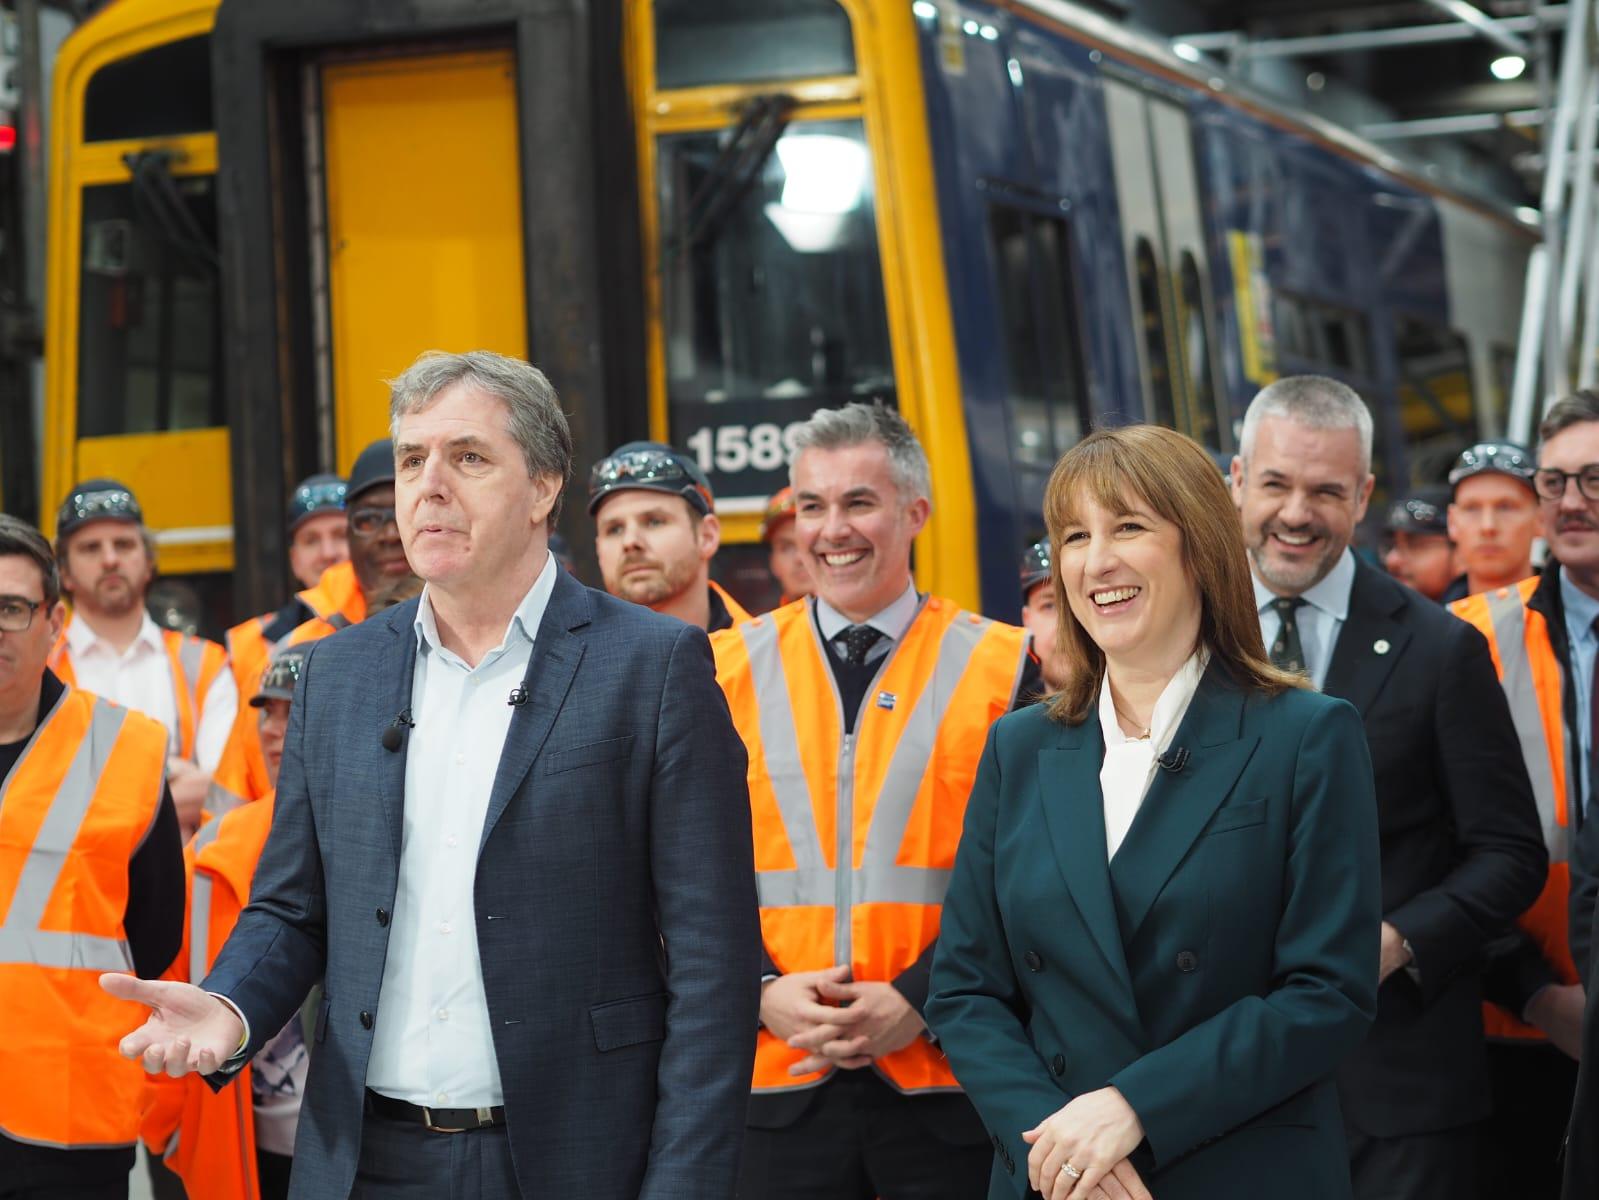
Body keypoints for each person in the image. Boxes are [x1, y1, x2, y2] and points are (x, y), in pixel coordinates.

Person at [102, 349, 760, 1200]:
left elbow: (713, 965)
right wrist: (229, 1007)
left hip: (577, 1157)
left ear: (543, 488)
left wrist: (683, 1185)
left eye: (469, 457)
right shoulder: (335, 674)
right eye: (413, 459)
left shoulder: (653, 666)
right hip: (365, 1160)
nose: (429, 487)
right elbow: (292, 907)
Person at [926, 424, 1381, 1199]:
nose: (1095, 560)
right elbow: (964, 991)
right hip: (1052, 1177)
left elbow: (1326, 992)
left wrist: (1134, 1107)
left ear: (1198, 547)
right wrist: (1059, 1145)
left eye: (1128, 527)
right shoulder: (1020, 746)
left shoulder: (1307, 734)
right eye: (1074, 536)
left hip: (1234, 1171)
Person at [1229, 375, 1546, 1200]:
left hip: (1397, 1093)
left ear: (1363, 494)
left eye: (1325, 492)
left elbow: (1508, 852)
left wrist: (1397, 941)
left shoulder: (1439, 650)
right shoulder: (1181, 634)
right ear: (1237, 480)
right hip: (1216, 1085)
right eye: (1275, 484)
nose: (1295, 513)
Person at [712, 403, 1029, 1200]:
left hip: (948, 1084)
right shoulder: (720, 670)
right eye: (811, 505)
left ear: (915, 512)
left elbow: (1030, 879)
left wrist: (921, 997)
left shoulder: (1005, 668)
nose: (832, 530)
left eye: (858, 502)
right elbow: (678, 871)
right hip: (773, 1087)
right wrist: (759, 992)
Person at [0, 512, 184, 1199]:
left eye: (11, 609)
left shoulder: (123, 749)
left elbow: (156, 934)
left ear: (54, 622)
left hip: (67, 1114)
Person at [1449, 405, 1595, 1197]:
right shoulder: (1464, 638)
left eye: (1594, 480)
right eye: (1554, 481)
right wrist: (1535, 992)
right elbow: (1427, 848)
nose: (1571, 501)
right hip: (1516, 1034)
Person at [143, 646, 313, 1200]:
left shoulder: (389, 841)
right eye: (268, 713)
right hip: (240, 1152)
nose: (274, 730)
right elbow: (159, 990)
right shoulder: (213, 850)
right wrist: (174, 1133)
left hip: (366, 1150)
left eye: (295, 709)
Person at [205, 444, 416, 818]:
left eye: (401, 512)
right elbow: (232, 808)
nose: (388, 534)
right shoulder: (289, 653)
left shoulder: (486, 633)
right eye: (368, 520)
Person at [48, 480, 237, 839]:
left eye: (124, 544)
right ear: (65, 574)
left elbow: (224, 789)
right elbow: (38, 794)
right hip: (76, 873)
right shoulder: (40, 667)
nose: (110, 559)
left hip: (182, 872)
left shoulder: (205, 663)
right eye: (90, 548)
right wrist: (169, 775)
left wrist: (93, 796)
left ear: (148, 562)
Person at [589, 441, 753, 631]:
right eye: (614, 529)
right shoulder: (568, 650)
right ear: (598, 549)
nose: (630, 541)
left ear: (707, 536)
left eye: (654, 522)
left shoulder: (766, 647)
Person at [1444, 441, 1540, 604]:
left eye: (1506, 507)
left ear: (1542, 519)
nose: (1487, 526)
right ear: (1452, 522)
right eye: (1472, 508)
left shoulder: (1576, 615)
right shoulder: (1428, 619)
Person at [1381, 485, 1456, 602]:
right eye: (1391, 545)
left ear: (1460, 549)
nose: (1392, 560)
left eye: (1415, 545)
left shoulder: (1483, 610)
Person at [1020, 537, 1067, 693]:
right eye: (1049, 606)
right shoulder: (1003, 706)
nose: (1065, 627)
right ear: (1027, 620)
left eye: (1075, 604)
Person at [760, 486, 813, 605]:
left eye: (809, 543)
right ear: (773, 563)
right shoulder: (766, 619)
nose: (799, 558)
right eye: (786, 548)